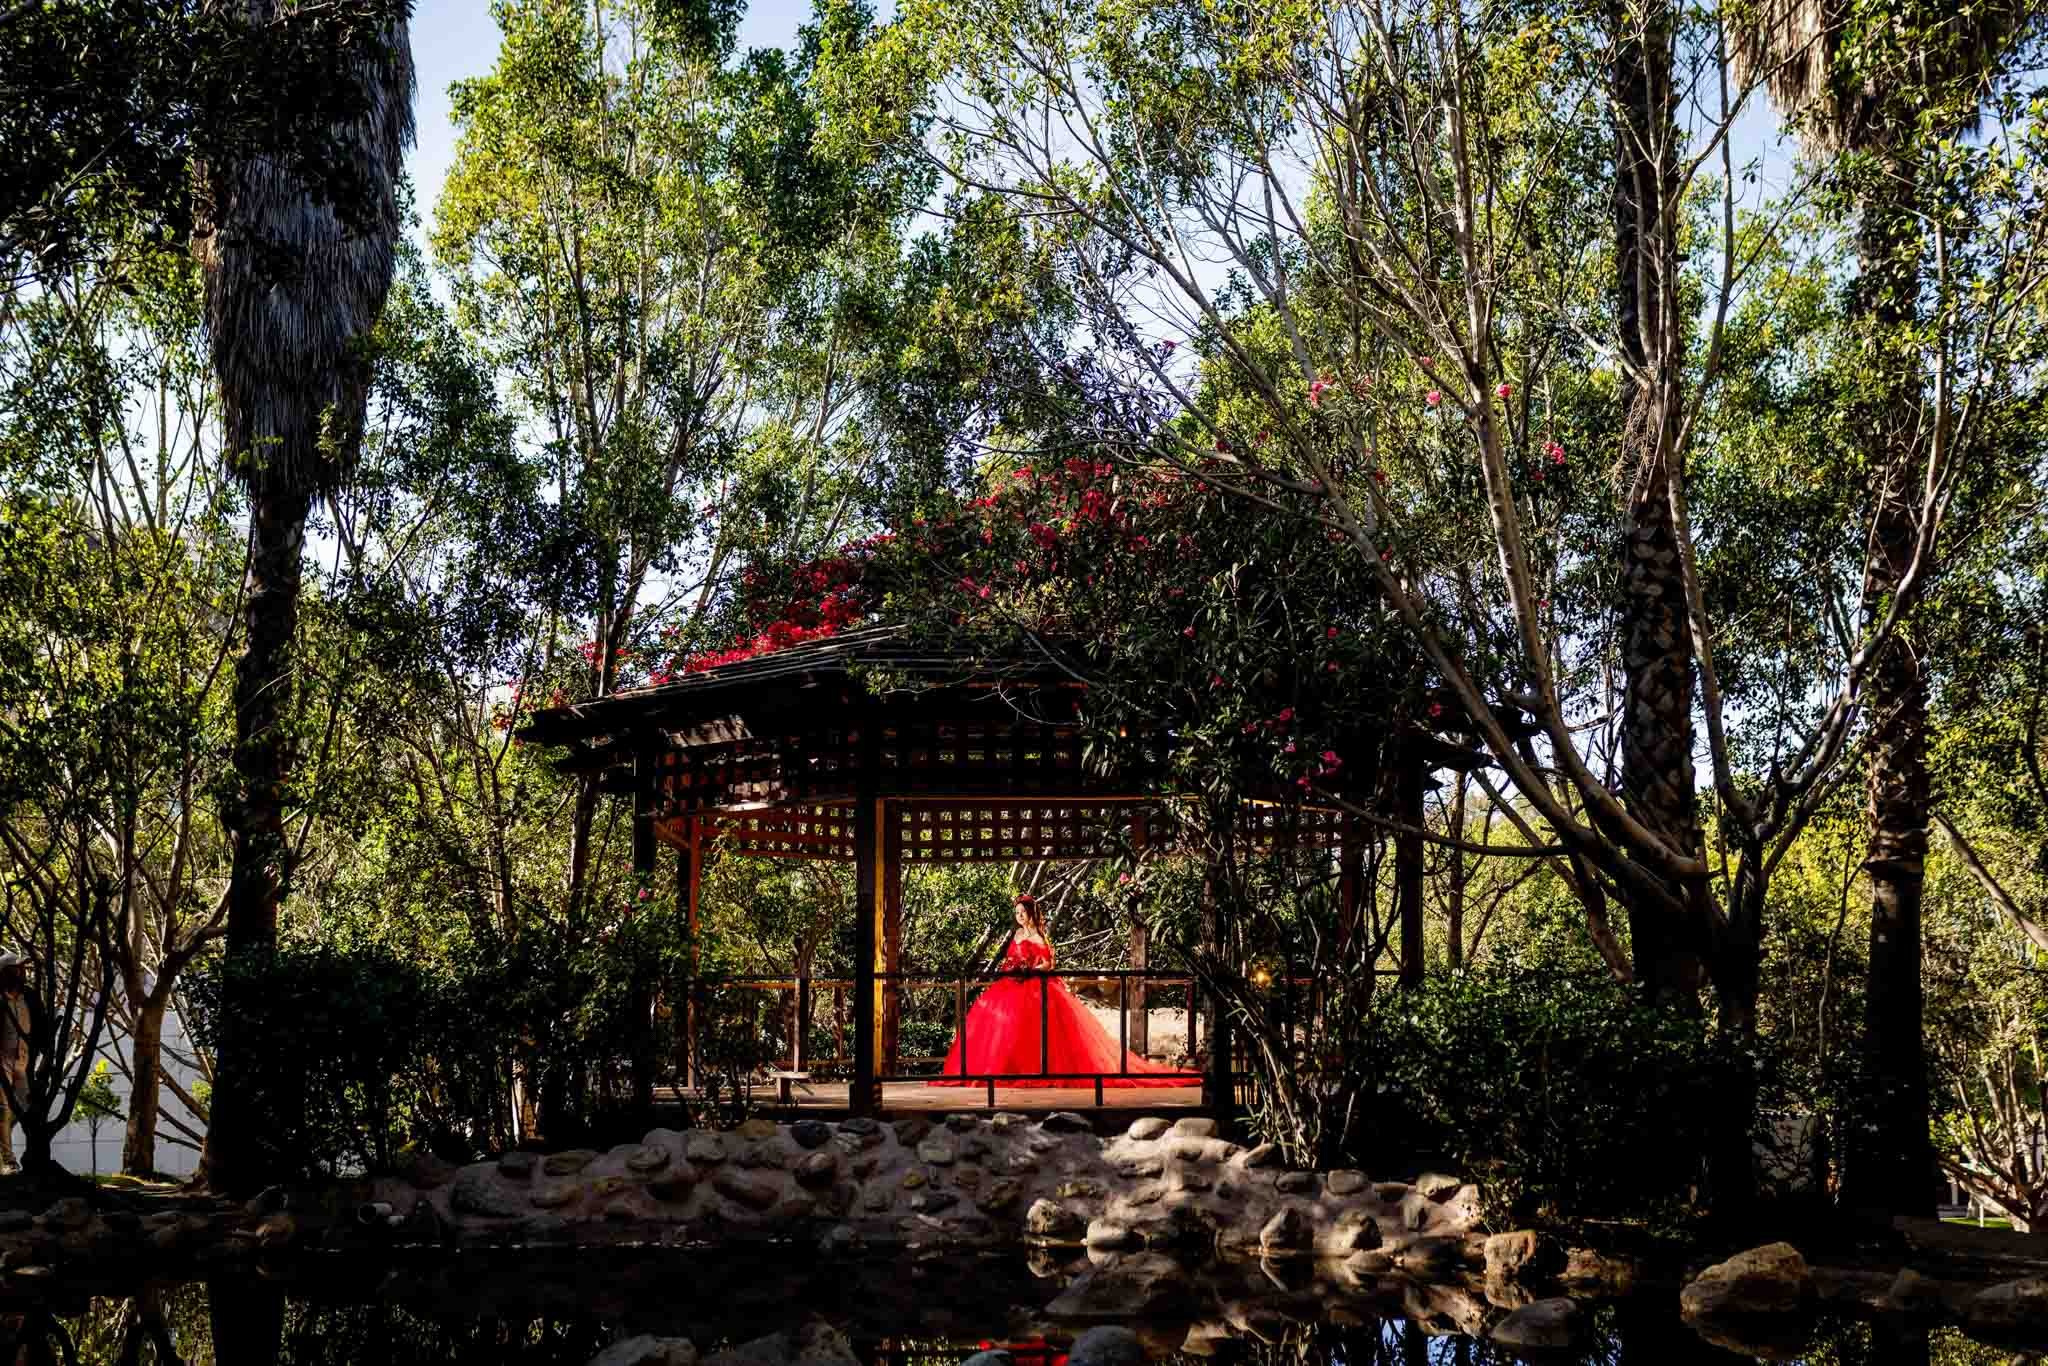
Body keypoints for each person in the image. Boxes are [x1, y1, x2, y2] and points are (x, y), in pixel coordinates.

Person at [929, 893, 1194, 1088]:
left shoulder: (1038, 937)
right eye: (1017, 913)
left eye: (1023, 912)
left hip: (1034, 987)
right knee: (1001, 1030)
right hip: (1010, 987)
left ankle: (1037, 1073)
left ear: (1032, 914)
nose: (1019, 916)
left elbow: (1048, 964)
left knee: (1038, 1032)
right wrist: (1012, 969)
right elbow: (1009, 959)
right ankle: (1000, 1072)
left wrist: (1030, 970)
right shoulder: (1017, 935)